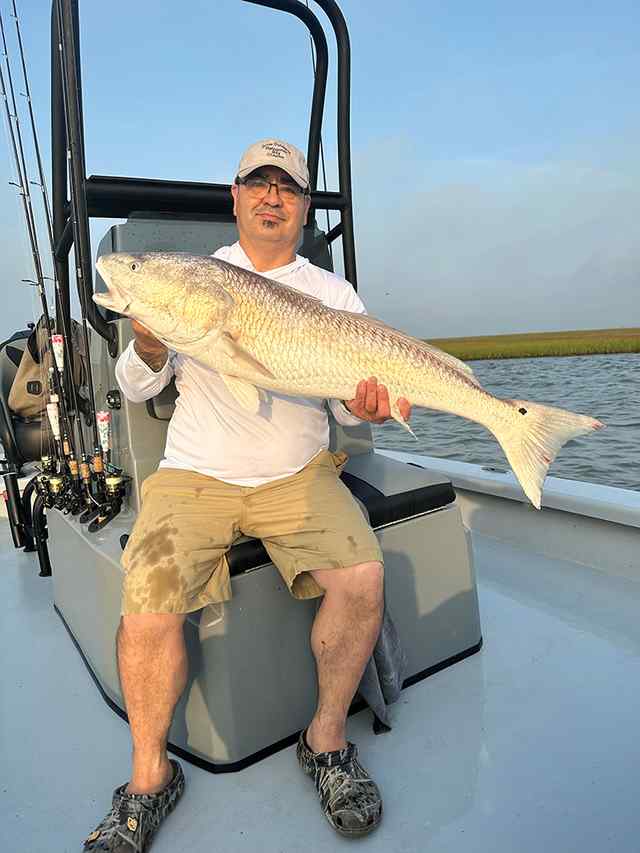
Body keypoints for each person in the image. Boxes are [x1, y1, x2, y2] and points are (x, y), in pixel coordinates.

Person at [83, 138, 411, 852]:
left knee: (363, 577)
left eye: (287, 188)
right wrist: (146, 343)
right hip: (196, 473)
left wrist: (372, 406)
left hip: (298, 473)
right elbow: (138, 385)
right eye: (257, 184)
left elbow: (351, 412)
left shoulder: (332, 294)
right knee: (145, 605)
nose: (272, 197)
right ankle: (148, 778)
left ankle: (325, 742)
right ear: (234, 198)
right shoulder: (200, 282)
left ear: (300, 206)